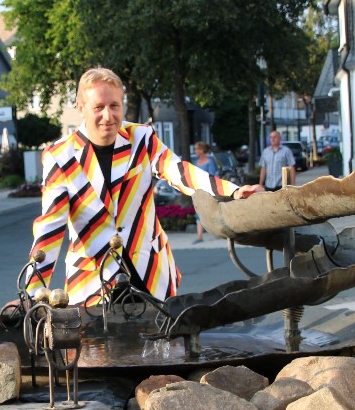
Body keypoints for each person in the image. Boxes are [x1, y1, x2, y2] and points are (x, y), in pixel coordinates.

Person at [26, 67, 260, 306]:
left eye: (114, 105)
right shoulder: (60, 156)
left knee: (163, 341)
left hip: (149, 271)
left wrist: (232, 191)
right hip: (91, 281)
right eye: (98, 107)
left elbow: (179, 172)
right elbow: (50, 227)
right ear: (80, 107)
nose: (108, 116)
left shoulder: (142, 138)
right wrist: (32, 292)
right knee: (94, 344)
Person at [192, 141, 218, 244]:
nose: (195, 151)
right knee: (198, 211)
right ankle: (199, 236)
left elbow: (212, 177)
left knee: (210, 210)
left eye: (197, 149)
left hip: (207, 191)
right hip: (198, 190)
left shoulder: (210, 162)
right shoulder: (196, 162)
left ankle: (217, 232)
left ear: (202, 150)